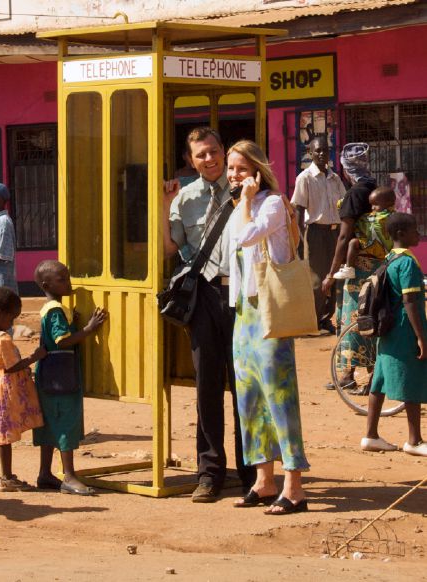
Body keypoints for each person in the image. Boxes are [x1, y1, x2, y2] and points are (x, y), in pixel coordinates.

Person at [161, 127, 256, 502]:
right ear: (190, 159)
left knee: (245, 386)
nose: (210, 160)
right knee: (208, 388)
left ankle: (252, 474)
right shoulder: (183, 199)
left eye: (214, 151)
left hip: (243, 297)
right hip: (202, 298)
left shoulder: (249, 193)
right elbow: (171, 248)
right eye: (201, 154)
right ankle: (210, 474)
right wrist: (161, 201)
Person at [224, 140, 310, 515]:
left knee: (279, 396)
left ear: (257, 170)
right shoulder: (239, 208)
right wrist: (241, 202)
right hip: (244, 310)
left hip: (270, 309)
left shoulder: (272, 203)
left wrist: (246, 199)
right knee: (249, 397)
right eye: (231, 169)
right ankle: (263, 479)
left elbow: (245, 238)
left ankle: (294, 486)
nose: (234, 175)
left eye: (241, 169)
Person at [32, 260, 107, 495]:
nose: (68, 282)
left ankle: (45, 473)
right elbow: (62, 340)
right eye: (62, 279)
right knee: (65, 423)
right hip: (60, 377)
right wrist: (88, 329)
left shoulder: (55, 309)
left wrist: (73, 323)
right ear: (46, 284)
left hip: (50, 375)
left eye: (67, 277)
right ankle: (69, 476)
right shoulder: (54, 310)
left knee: (49, 425)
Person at [360, 212, 427, 456]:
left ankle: (371, 435)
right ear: (401, 234)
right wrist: (421, 336)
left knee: (378, 381)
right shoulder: (407, 263)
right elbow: (410, 302)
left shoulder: (390, 259)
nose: (418, 234)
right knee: (412, 379)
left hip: (386, 330)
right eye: (414, 230)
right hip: (403, 328)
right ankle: (415, 440)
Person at [321, 143, 380, 389]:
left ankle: (347, 377)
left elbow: (344, 237)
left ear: (347, 168)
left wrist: (331, 273)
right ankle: (371, 376)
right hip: (376, 265)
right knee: (370, 317)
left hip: (355, 266)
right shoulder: (375, 188)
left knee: (352, 318)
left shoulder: (355, 193)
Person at [0, 286, 46, 491]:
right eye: (11, 319)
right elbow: (11, 367)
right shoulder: (2, 338)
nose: (12, 324)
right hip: (3, 390)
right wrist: (33, 357)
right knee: (5, 436)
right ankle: (7, 477)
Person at [290, 136, 345, 333]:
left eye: (325, 150)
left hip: (336, 234)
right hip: (315, 234)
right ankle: (311, 320)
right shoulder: (304, 178)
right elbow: (298, 210)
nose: (321, 154)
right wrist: (298, 239)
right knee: (317, 281)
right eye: (317, 151)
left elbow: (344, 206)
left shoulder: (335, 178)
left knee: (336, 276)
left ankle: (325, 318)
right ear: (310, 153)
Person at [333, 186, 395, 279]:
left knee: (353, 242)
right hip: (373, 248)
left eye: (376, 204)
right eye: (371, 205)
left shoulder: (388, 216)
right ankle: (349, 269)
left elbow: (371, 222)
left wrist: (345, 205)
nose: (372, 208)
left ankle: (349, 268)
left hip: (383, 250)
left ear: (389, 203)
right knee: (353, 242)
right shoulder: (376, 215)